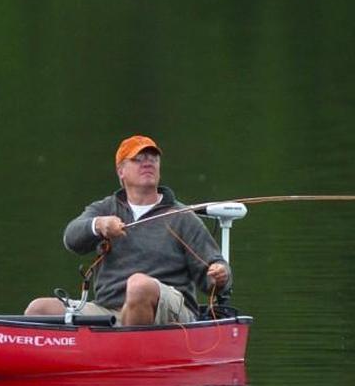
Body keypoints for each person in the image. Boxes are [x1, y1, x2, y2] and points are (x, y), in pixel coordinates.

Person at [25, 135, 230, 325]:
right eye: (138, 159)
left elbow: (214, 274)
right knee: (38, 309)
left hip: (170, 315)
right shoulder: (105, 208)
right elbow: (71, 239)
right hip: (108, 311)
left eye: (153, 158)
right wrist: (99, 225)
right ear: (120, 171)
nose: (148, 162)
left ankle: (126, 353)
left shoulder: (183, 217)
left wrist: (220, 275)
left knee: (139, 285)